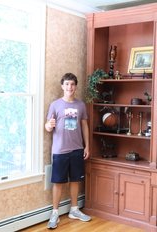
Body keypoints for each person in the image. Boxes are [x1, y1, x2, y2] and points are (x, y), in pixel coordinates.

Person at [45, 73, 91, 229]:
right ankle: (55, 213)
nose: (69, 87)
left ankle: (74, 210)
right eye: (67, 84)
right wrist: (49, 125)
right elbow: (47, 126)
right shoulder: (55, 105)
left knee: (75, 180)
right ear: (62, 86)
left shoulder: (81, 105)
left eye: (72, 84)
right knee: (58, 182)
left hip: (77, 149)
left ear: (75, 86)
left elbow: (84, 126)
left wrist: (87, 146)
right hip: (60, 150)